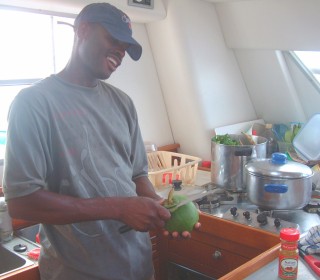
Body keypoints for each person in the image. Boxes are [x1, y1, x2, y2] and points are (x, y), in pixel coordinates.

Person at [3, 3, 199, 280]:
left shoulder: (122, 103)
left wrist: (161, 209)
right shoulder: (33, 104)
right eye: (113, 39)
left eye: (125, 46)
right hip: (77, 272)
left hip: (138, 266)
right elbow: (22, 203)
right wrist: (120, 208)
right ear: (82, 30)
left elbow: (137, 175)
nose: (121, 52)